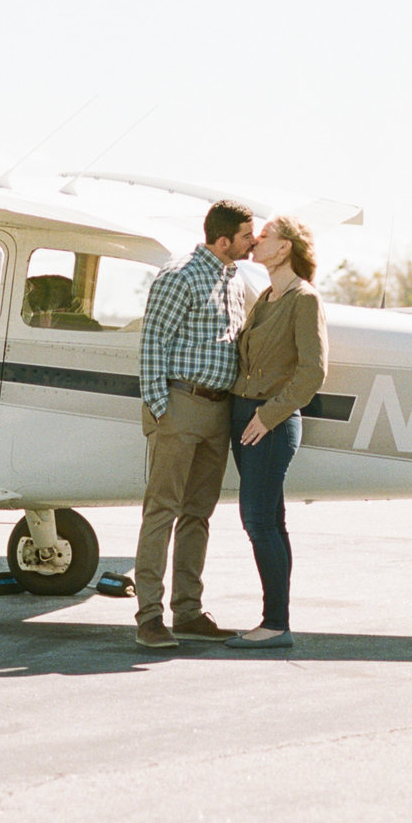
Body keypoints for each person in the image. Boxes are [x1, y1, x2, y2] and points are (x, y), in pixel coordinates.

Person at [133, 198, 257, 648]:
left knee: (198, 514)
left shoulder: (232, 276)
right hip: (181, 404)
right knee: (162, 510)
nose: (253, 242)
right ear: (223, 240)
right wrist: (161, 409)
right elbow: (152, 344)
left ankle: (187, 611)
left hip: (218, 412)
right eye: (247, 236)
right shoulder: (180, 274)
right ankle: (149, 616)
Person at [226, 214, 327, 650]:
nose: (255, 243)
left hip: (271, 422)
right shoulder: (266, 296)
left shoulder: (304, 300)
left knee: (258, 520)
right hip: (245, 418)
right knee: (270, 521)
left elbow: (312, 373)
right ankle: (276, 620)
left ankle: (275, 624)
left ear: (285, 248)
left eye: (264, 238)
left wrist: (268, 416)